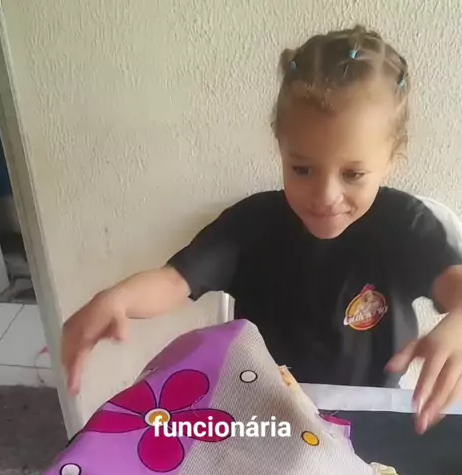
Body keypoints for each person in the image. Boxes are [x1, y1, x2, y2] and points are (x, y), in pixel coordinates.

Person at [61, 24, 462, 435]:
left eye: (353, 174)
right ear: (281, 148)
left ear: (391, 159)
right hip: (267, 415)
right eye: (302, 169)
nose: (325, 195)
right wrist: (118, 299)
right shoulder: (252, 224)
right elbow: (174, 281)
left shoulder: (405, 225)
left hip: (369, 419)